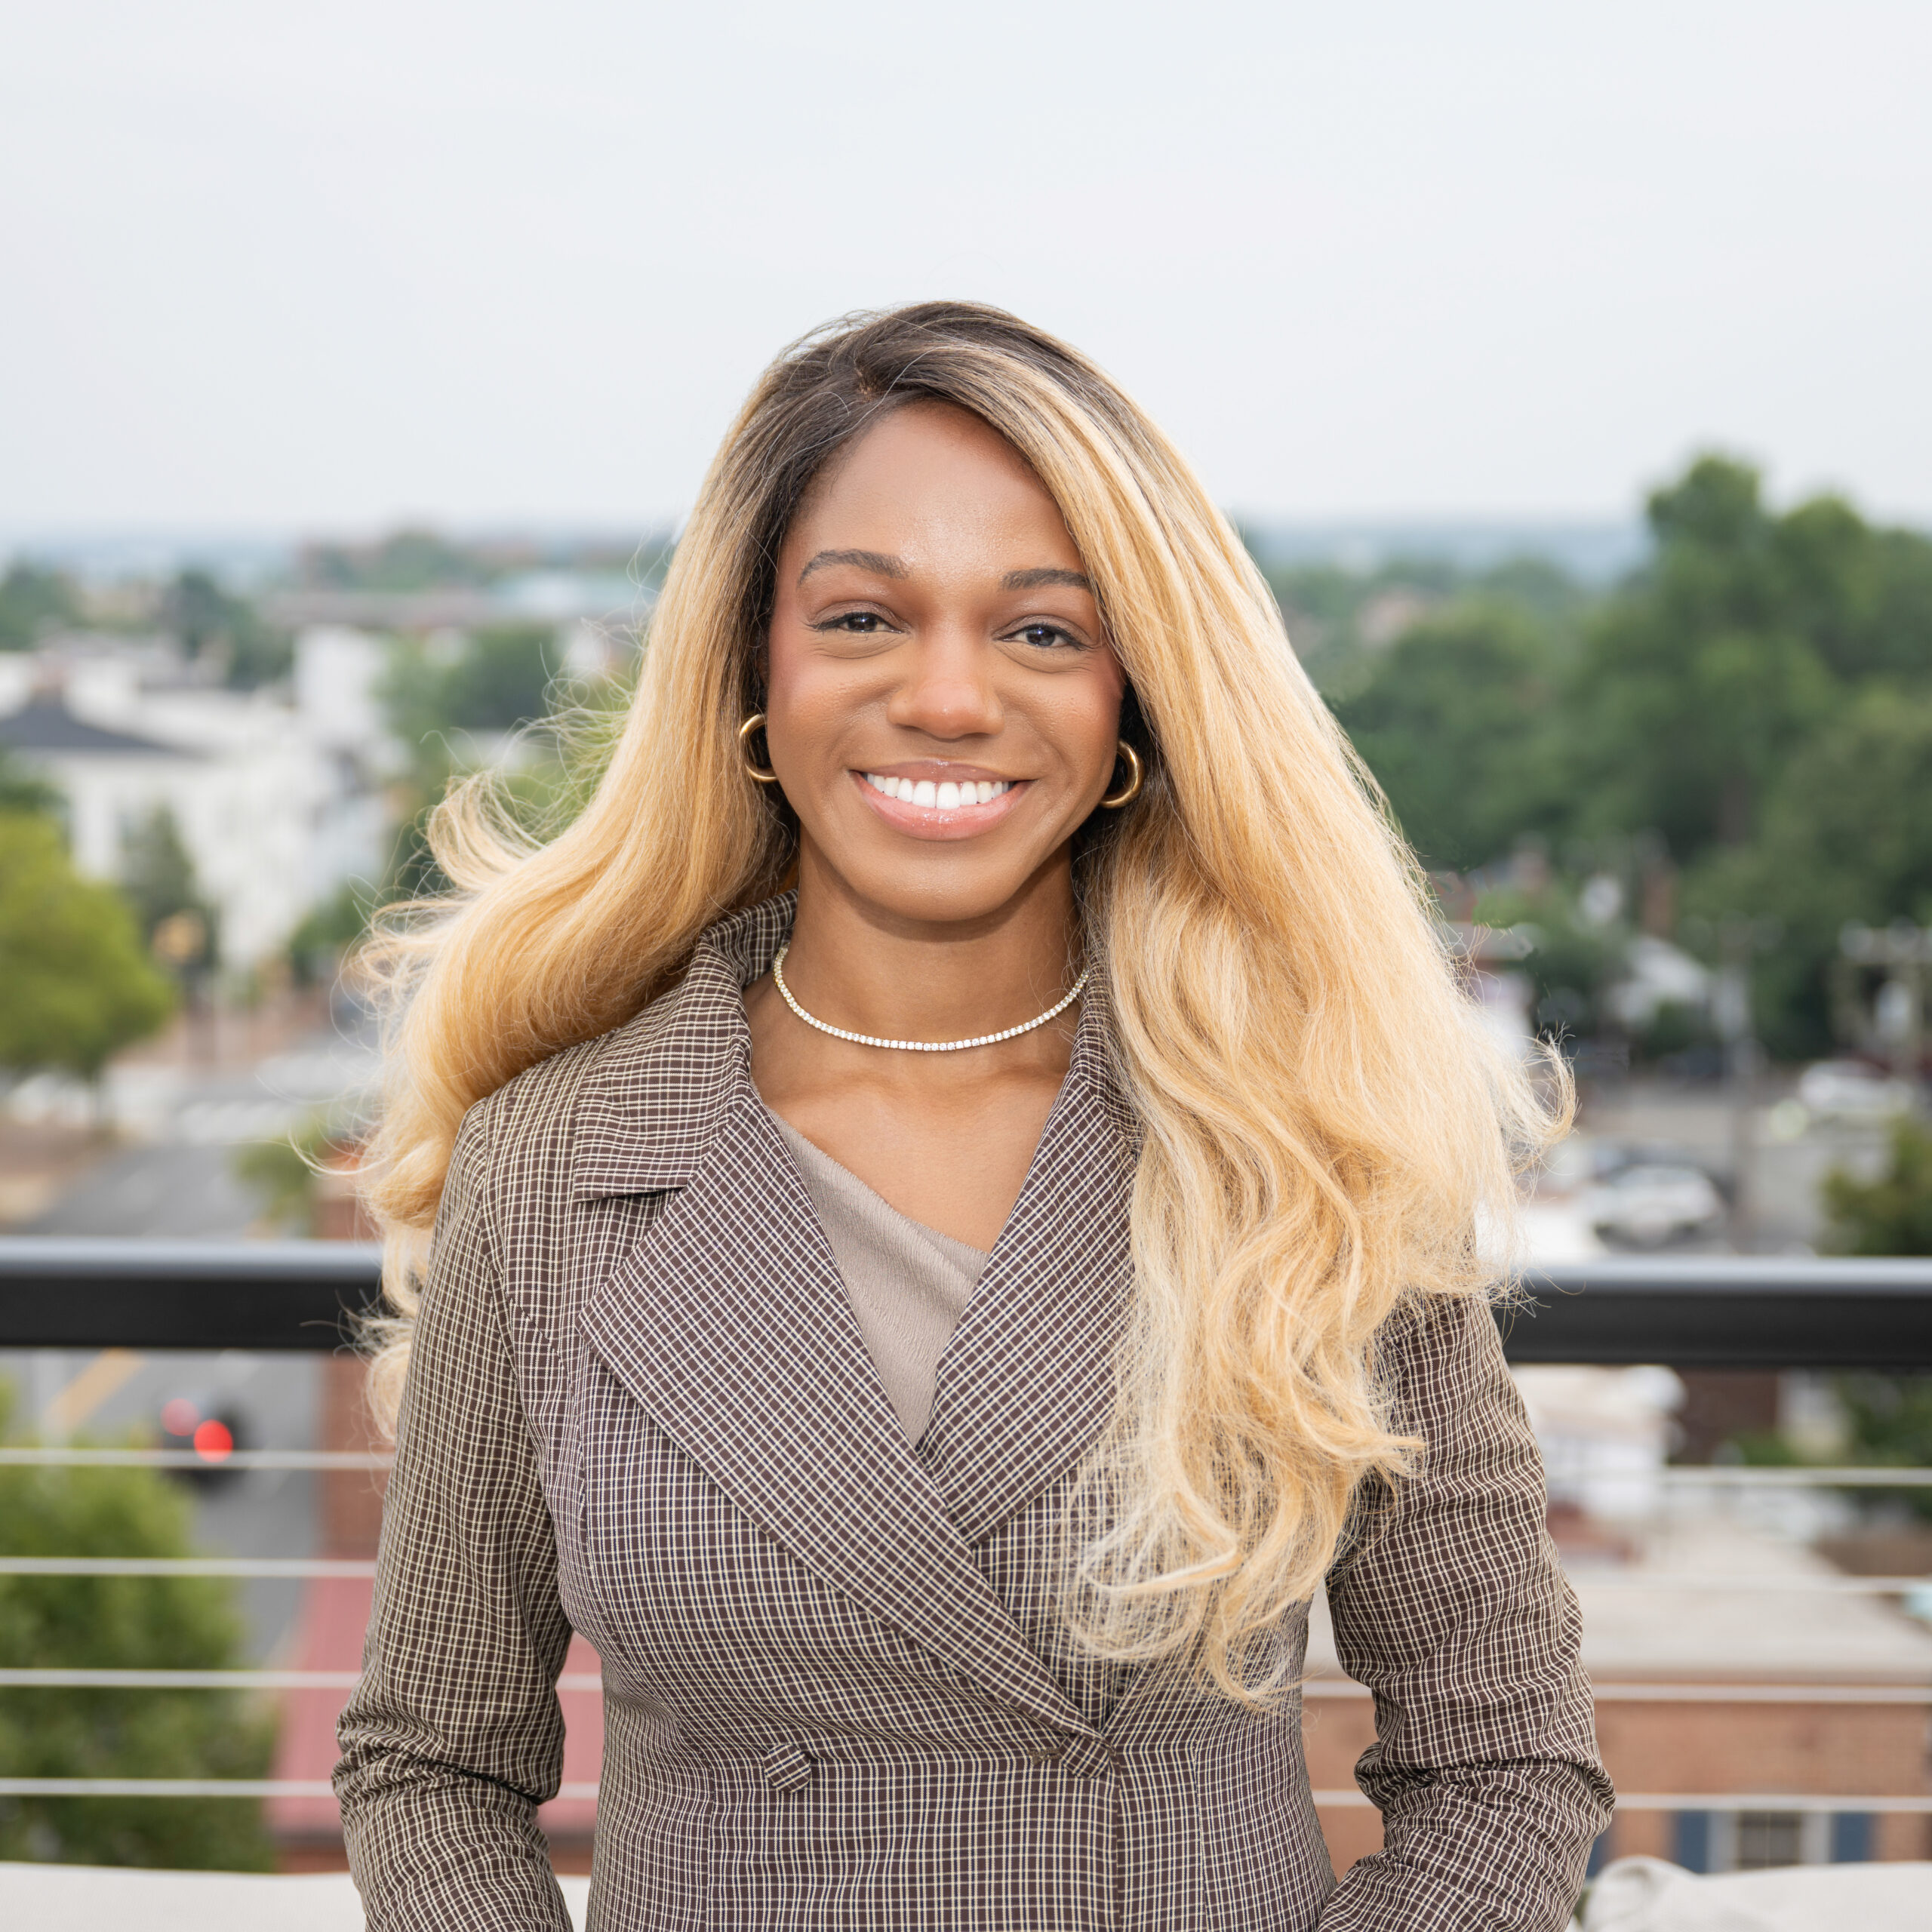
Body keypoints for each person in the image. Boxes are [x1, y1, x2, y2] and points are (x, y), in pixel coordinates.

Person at [335, 301, 1612, 1930]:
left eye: (1040, 632)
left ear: (1133, 705)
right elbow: (430, 1760)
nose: (946, 697)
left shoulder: (1305, 1148)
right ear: (752, 668)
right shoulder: (556, 1162)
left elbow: (1502, 1761)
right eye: (863, 616)